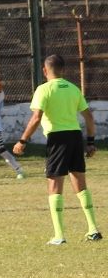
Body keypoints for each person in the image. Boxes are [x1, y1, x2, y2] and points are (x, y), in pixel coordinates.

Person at [13, 54, 101, 245]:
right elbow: (89, 118)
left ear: (45, 70)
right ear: (63, 70)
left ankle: (59, 235)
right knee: (80, 184)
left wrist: (22, 140)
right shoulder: (73, 88)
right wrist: (91, 142)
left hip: (58, 139)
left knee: (54, 185)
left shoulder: (44, 89)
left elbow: (36, 117)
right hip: (75, 137)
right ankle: (93, 229)